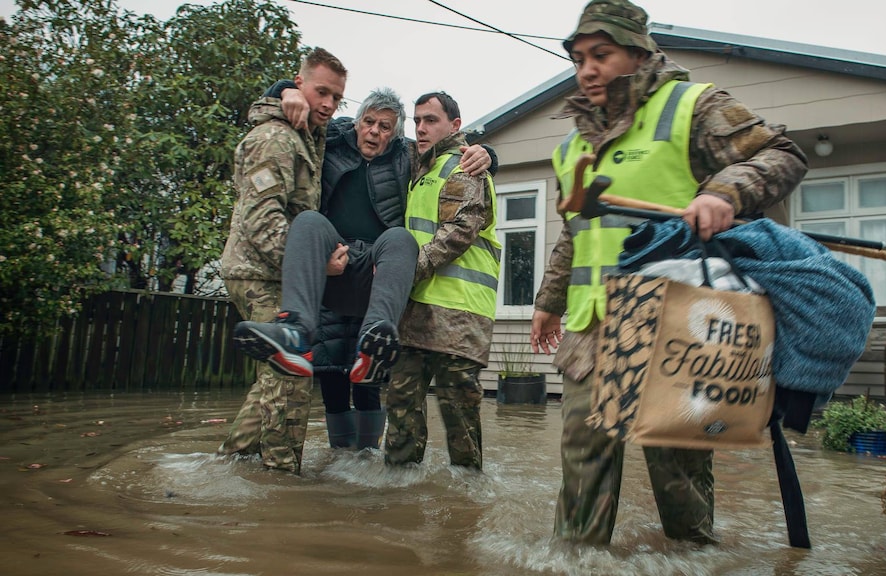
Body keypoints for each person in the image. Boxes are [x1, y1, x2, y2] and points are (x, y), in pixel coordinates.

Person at [530, 0, 809, 545]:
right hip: (592, 324)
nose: (587, 70)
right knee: (583, 458)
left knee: (676, 467)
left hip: (671, 321)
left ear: (638, 53)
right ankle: (578, 558)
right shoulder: (571, 146)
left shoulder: (692, 107)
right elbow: (575, 229)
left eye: (601, 55)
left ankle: (693, 554)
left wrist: (724, 192)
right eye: (579, 59)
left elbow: (782, 154)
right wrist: (549, 300)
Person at [235, 82, 494, 451]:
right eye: (368, 122)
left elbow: (446, 152)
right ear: (356, 122)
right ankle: (293, 330)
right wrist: (285, 90)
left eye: (385, 126)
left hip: (377, 277)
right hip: (332, 268)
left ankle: (368, 440)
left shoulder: (407, 156)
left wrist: (488, 154)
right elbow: (295, 118)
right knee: (330, 372)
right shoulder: (332, 140)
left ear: (395, 134)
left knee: (398, 242)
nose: (374, 131)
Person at [218, 47, 347, 474]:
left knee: (278, 371)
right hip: (257, 271)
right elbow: (261, 220)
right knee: (292, 369)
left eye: (336, 97)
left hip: (275, 273)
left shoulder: (308, 134)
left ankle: (232, 462)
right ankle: (281, 478)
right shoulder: (276, 138)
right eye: (321, 92)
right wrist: (312, 267)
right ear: (299, 83)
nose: (328, 104)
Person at [384, 92, 501, 470]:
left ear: (455, 125)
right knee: (401, 406)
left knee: (459, 415)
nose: (420, 128)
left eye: (431, 120)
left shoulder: (463, 166)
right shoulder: (418, 170)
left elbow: (459, 231)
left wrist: (403, 273)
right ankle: (397, 490)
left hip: (459, 313)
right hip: (415, 309)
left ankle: (466, 495)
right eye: (417, 120)